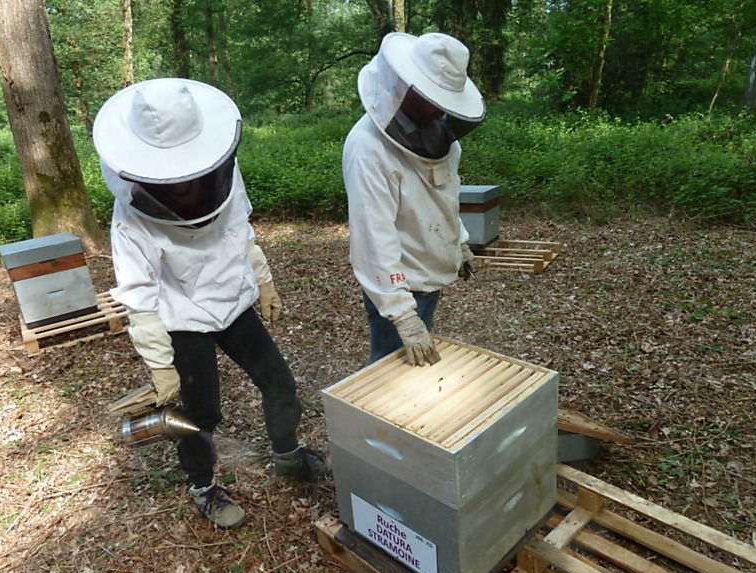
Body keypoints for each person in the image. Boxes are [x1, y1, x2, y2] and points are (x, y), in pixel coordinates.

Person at [93, 78, 327, 530]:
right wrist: (161, 365)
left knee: (278, 381)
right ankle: (203, 485)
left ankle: (288, 454)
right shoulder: (130, 218)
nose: (187, 185)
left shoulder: (224, 169)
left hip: (233, 301)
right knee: (199, 413)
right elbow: (139, 297)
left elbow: (240, 226)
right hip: (182, 319)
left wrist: (264, 281)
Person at [343, 32, 487, 367]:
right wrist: (402, 314)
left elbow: (445, 196)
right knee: (387, 370)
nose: (440, 108)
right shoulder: (367, 148)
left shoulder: (442, 136)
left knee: (411, 367)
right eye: (432, 97)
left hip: (428, 273)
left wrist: (459, 242)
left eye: (444, 100)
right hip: (398, 283)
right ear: (405, 85)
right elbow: (373, 236)